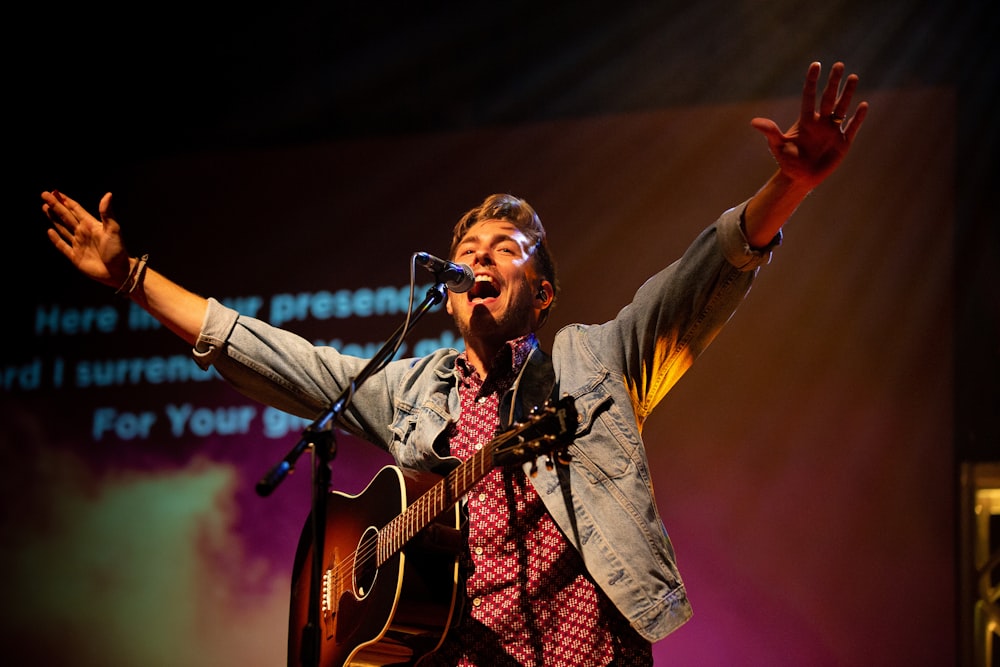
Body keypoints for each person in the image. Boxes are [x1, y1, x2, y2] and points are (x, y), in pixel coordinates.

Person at [41, 61, 867, 666]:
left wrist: (788, 186)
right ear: (445, 289)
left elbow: (705, 277)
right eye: (467, 249)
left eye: (506, 249)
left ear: (541, 291)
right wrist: (132, 280)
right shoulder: (412, 390)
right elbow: (275, 357)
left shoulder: (594, 358)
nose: (480, 257)